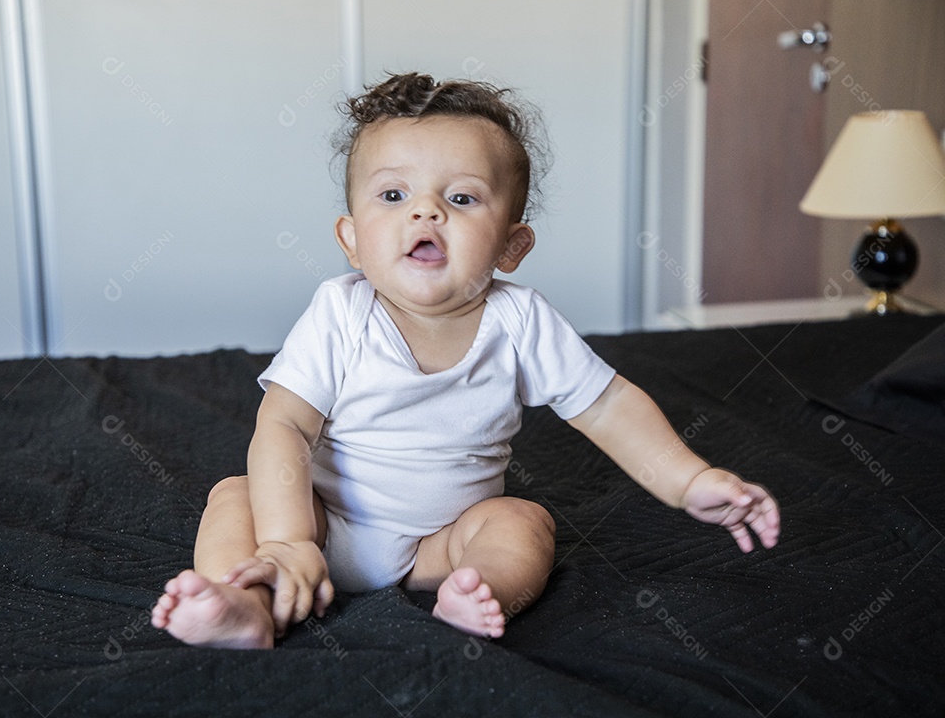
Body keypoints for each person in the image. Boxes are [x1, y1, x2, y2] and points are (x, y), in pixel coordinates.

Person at [151, 73, 780, 649]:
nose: (426, 212)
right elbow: (284, 426)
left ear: (511, 245)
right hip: (321, 526)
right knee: (235, 497)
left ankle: (476, 592)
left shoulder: (521, 321)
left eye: (462, 197)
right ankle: (250, 602)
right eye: (394, 194)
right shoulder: (340, 313)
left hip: (441, 543)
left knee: (524, 522)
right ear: (351, 240)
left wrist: (689, 479)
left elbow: (610, 405)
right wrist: (288, 540)